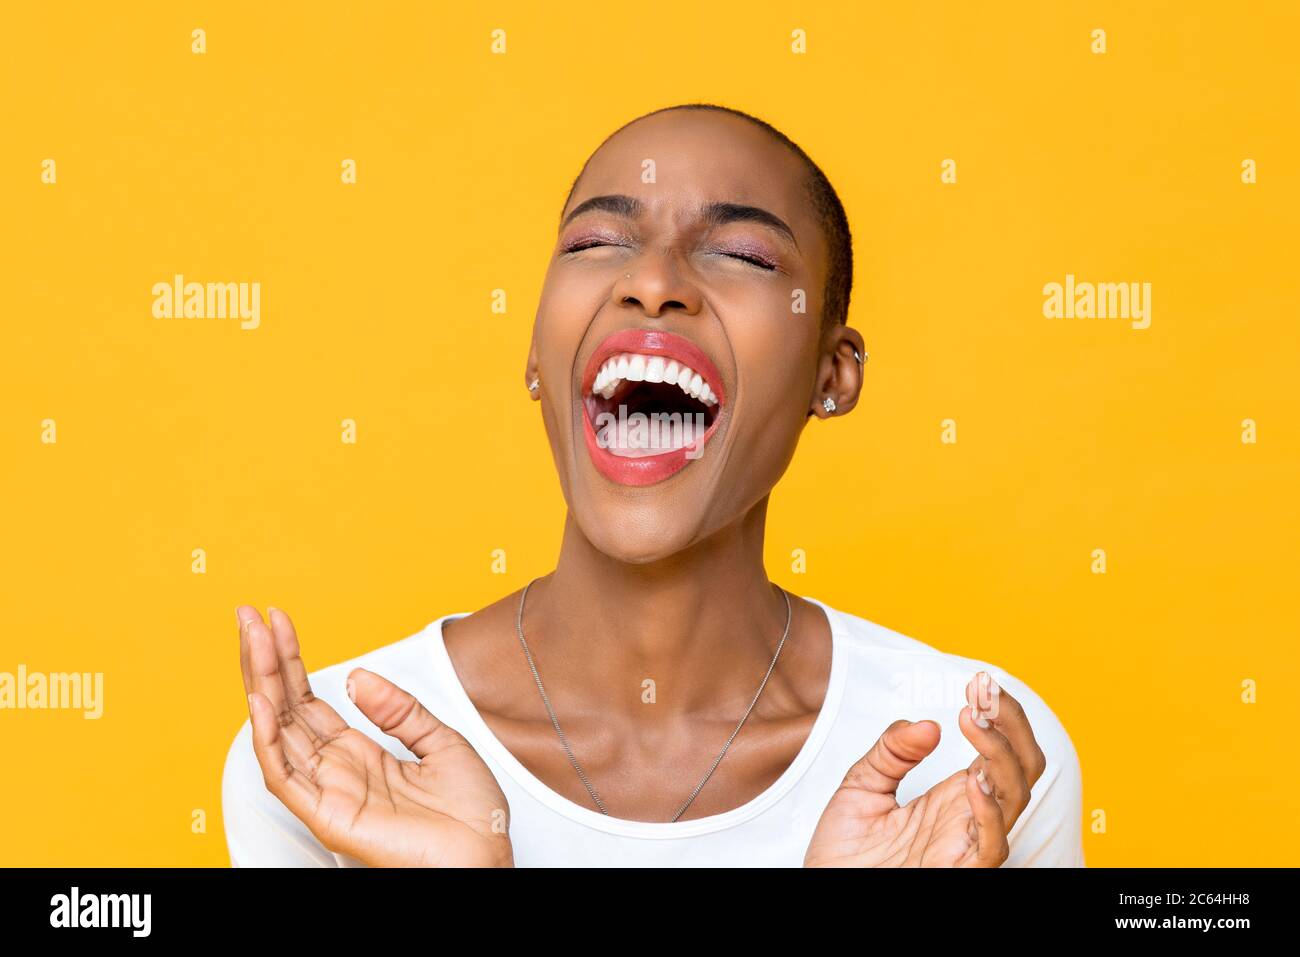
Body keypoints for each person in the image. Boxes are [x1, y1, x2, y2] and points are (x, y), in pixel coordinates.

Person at [222, 103, 1084, 867]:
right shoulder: (328, 760)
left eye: (742, 253)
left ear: (834, 373)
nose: (654, 283)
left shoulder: (974, 761)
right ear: (535, 356)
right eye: (598, 244)